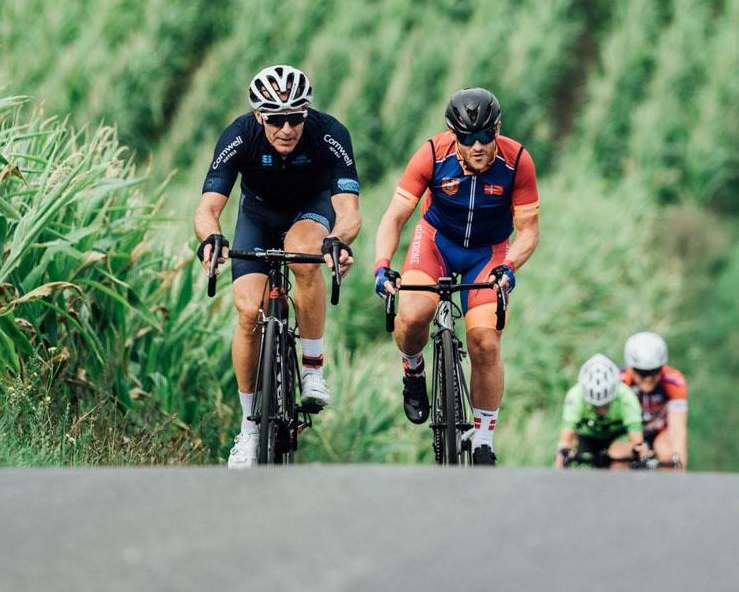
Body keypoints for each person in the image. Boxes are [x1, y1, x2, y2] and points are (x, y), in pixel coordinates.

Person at [194, 64, 361, 470]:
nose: (287, 128)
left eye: (295, 118)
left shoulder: (329, 134)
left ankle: (312, 369)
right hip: (258, 216)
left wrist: (339, 240)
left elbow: (349, 210)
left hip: (310, 210)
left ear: (307, 114)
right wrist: (211, 239)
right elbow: (208, 208)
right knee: (249, 312)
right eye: (276, 119)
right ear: (258, 117)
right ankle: (249, 429)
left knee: (303, 253)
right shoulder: (240, 135)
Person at [371, 87, 541, 467]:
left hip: (489, 251)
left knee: (485, 343)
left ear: (498, 128)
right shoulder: (432, 154)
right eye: (468, 138)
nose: (478, 146)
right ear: (453, 135)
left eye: (486, 136)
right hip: (436, 242)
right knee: (413, 315)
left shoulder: (518, 162)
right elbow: (395, 215)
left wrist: (509, 267)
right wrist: (382, 264)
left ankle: (482, 438)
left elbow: (528, 230)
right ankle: (413, 371)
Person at [555, 354, 654, 469]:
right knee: (568, 457)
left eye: (605, 404)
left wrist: (641, 456)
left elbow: (637, 442)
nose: (600, 409)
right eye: (595, 406)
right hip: (588, 436)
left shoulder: (627, 397)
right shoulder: (575, 396)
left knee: (619, 455)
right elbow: (565, 440)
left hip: (618, 436)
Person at [621, 331, 688, 469]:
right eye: (643, 372)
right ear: (631, 368)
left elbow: (678, 431)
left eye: (654, 371)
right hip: (627, 431)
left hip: (660, 431)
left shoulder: (674, 381)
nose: (648, 378)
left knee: (669, 454)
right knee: (618, 455)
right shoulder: (619, 382)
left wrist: (680, 466)